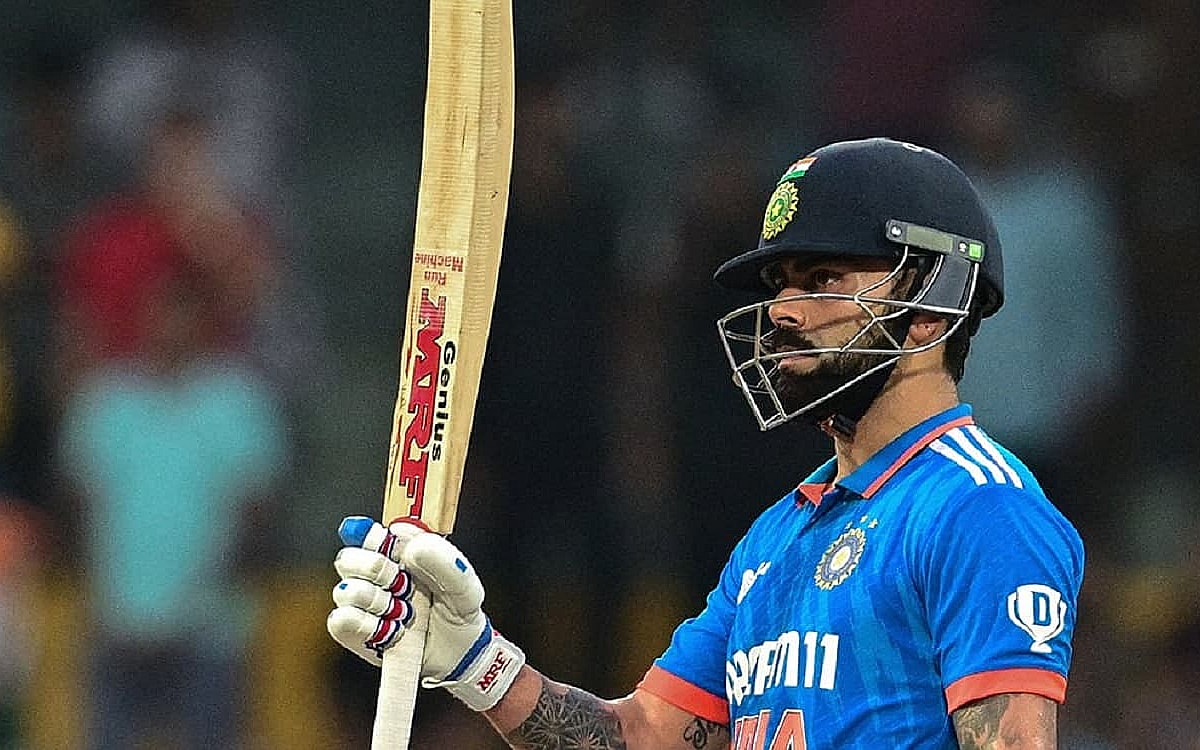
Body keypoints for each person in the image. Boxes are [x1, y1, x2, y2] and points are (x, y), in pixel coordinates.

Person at [328, 138, 1085, 749]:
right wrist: (477, 662)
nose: (782, 310)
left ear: (932, 303)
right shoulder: (776, 539)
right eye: (780, 283)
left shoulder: (978, 509)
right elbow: (642, 735)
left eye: (821, 277)